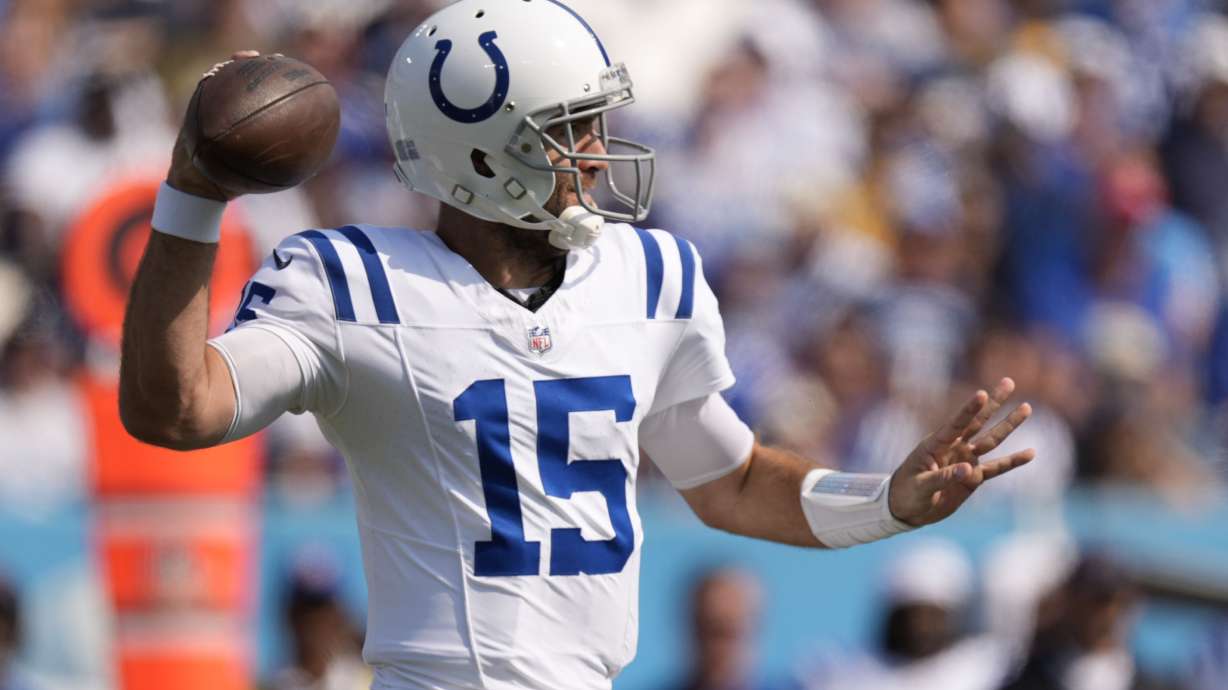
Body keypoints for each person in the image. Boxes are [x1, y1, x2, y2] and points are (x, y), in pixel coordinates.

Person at [117, 2, 1035, 688]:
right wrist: (194, 198)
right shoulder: (354, 282)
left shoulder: (649, 277)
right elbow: (175, 407)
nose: (597, 152)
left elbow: (735, 484)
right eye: (568, 131)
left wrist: (888, 502)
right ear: (478, 154)